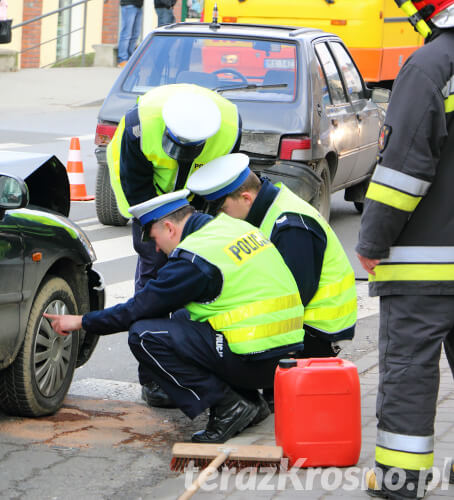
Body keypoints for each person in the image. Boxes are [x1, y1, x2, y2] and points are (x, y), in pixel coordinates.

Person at [44, 190, 304, 443]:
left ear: (169, 227)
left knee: (145, 335)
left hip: (255, 359)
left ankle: (228, 406)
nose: (157, 249)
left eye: (155, 239)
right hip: (284, 359)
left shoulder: (194, 258)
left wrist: (81, 321)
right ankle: (249, 402)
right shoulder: (231, 229)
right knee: (182, 317)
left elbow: (138, 309)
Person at [355, 1, 454, 498]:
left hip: (427, 265)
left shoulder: (431, 66)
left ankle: (400, 480)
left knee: (409, 374)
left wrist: (372, 240)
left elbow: (403, 171)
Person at [105, 83, 241, 406]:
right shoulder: (140, 126)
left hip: (193, 202)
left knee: (194, 279)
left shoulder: (229, 127)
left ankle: (186, 365)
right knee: (154, 280)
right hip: (148, 198)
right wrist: (157, 233)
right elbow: (135, 187)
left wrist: (197, 229)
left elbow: (220, 183)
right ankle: (152, 376)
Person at [188, 153, 357, 358]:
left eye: (222, 210)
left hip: (316, 331)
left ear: (246, 198)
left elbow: (293, 297)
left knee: (217, 349)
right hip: (303, 323)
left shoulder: (290, 225)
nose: (220, 218)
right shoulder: (268, 207)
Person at [117, 0, 143, 68]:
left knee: (135, 34)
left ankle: (130, 59)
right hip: (128, 4)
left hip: (139, 5)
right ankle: (122, 59)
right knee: (126, 34)